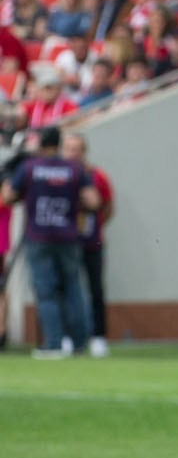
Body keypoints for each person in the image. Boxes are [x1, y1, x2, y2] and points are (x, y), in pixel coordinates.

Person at [0, 127, 102, 359]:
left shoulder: (29, 168)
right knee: (74, 289)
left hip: (39, 236)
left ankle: (54, 343)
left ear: (40, 144)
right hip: (68, 236)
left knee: (46, 292)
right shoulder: (75, 169)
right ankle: (79, 342)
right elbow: (93, 200)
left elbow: (8, 196)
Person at [60, 132, 113, 357]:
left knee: (95, 289)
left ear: (85, 150)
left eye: (77, 148)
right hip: (65, 242)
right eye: (69, 148)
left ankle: (98, 336)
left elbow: (107, 206)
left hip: (91, 241)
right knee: (66, 290)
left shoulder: (97, 176)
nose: (73, 153)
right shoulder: (58, 174)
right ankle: (68, 336)